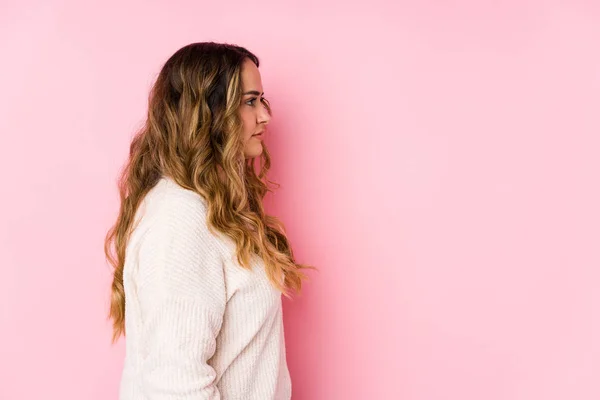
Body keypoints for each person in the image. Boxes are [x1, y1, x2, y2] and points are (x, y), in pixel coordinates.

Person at [104, 42, 314, 400]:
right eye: (250, 101)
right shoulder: (181, 218)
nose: (264, 116)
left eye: (262, 100)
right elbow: (175, 384)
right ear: (208, 112)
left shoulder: (212, 208)